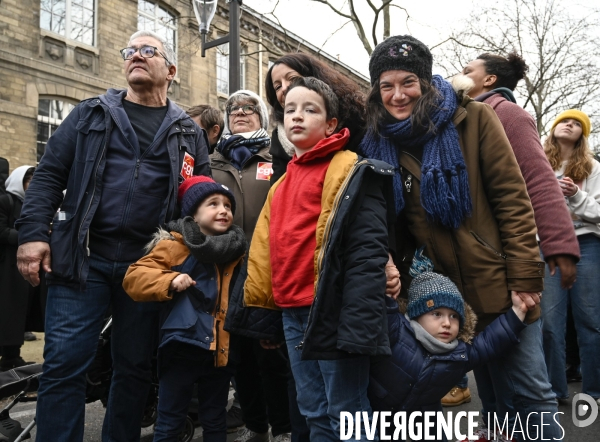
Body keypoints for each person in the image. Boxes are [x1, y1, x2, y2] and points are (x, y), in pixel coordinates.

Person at [359, 35, 563, 441]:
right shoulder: (380, 143)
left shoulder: (474, 119)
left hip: (501, 281)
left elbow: (512, 198)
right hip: (450, 300)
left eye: (408, 83)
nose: (397, 95)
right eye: (386, 85)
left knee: (531, 395)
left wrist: (525, 276)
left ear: (426, 82)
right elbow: (391, 227)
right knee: (493, 400)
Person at [15, 30, 211, 442]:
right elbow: (49, 175)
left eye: (148, 51)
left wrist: (188, 252)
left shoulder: (187, 132)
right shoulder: (89, 114)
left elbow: (197, 196)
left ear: (170, 71)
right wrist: (33, 234)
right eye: (130, 51)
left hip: (146, 267)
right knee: (64, 365)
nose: (136, 56)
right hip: (81, 260)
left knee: (135, 367)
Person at [244, 76, 393, 441]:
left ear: (330, 124)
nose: (297, 116)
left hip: (331, 310)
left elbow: (366, 249)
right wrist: (266, 315)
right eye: (290, 109)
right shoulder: (280, 182)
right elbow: (266, 251)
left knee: (348, 411)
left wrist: (357, 321)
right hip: (292, 313)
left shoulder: (351, 169)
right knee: (313, 410)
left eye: (310, 110)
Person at [442, 52, 581, 409]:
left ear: (488, 80)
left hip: (508, 259)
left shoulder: (508, 114)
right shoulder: (458, 119)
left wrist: (559, 243)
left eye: (467, 70)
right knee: (488, 370)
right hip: (474, 263)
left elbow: (537, 179)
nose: (459, 74)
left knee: (524, 381)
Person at [123, 176, 247, 442]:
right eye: (212, 204)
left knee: (215, 417)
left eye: (227, 205)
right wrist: (169, 280)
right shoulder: (173, 246)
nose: (223, 210)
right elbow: (134, 278)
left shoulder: (237, 251)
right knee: (170, 419)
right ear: (193, 214)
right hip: (181, 346)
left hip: (221, 348)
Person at [369, 250, 529, 441]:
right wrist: (386, 265)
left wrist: (518, 311)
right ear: (416, 315)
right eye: (436, 314)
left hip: (426, 425)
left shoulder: (459, 354)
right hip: (378, 418)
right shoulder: (397, 331)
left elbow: (490, 341)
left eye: (453, 316)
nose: (447, 323)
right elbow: (381, 306)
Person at [211, 90, 292, 442]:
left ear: (261, 115)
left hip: (266, 269)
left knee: (271, 355)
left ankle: (284, 427)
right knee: (238, 357)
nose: (240, 113)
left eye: (249, 109)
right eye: (233, 109)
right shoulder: (212, 160)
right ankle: (257, 425)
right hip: (225, 270)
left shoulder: (275, 156)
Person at [542, 109, 600, 405]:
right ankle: (555, 391)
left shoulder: (593, 167)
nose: (570, 124)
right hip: (548, 245)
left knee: (589, 320)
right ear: (553, 128)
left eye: (578, 124)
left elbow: (599, 212)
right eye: (565, 120)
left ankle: (594, 391)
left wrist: (575, 196)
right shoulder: (537, 162)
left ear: (582, 135)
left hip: (586, 243)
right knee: (550, 323)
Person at [264, 53, 367, 184]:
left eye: (292, 78)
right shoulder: (279, 140)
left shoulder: (356, 124)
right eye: (277, 86)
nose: (284, 88)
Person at [0, 165, 35, 371]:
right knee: (7, 311)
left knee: (18, 313)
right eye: (29, 180)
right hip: (6, 267)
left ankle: (13, 355)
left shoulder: (29, 204)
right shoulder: (6, 201)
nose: (32, 185)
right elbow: (2, 231)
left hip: (20, 268)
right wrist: (29, 236)